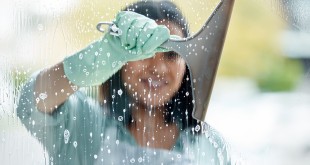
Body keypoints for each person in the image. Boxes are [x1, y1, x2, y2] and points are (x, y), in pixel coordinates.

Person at [17, 1, 231, 164]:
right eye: (144, 53)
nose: (158, 68)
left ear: (186, 66)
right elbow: (31, 101)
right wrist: (80, 67)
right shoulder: (84, 123)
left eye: (171, 55)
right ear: (118, 60)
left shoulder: (210, 146)